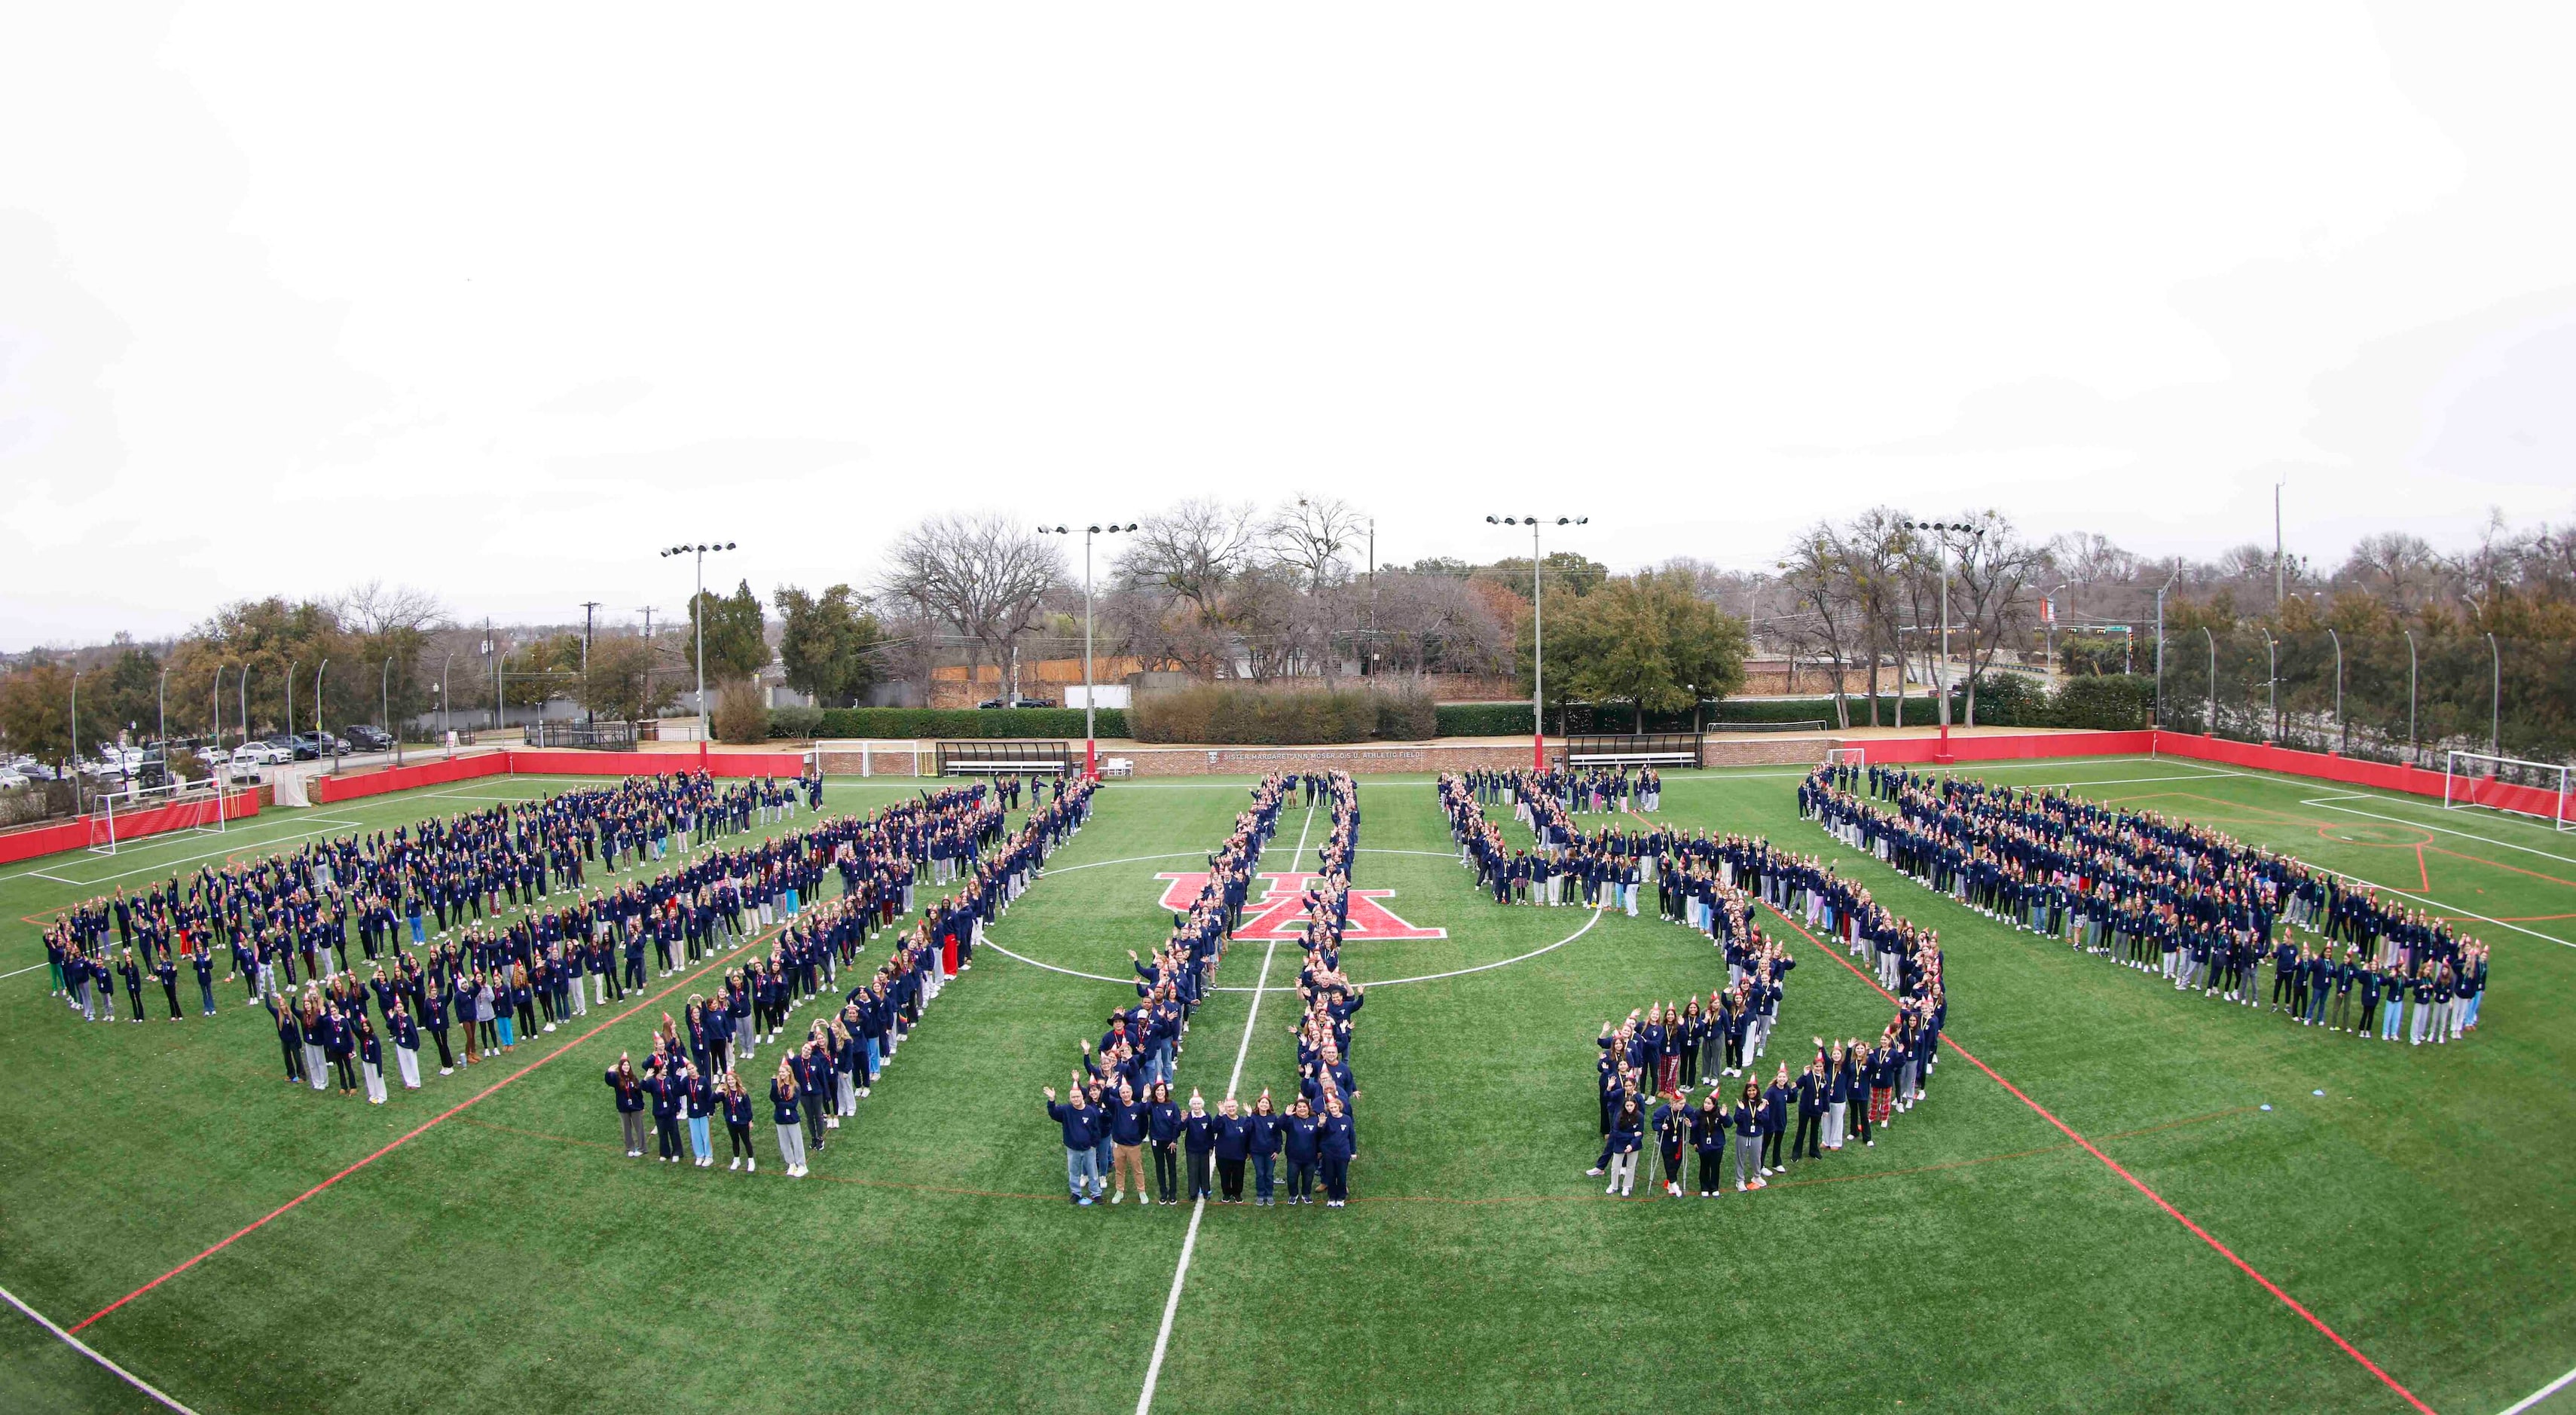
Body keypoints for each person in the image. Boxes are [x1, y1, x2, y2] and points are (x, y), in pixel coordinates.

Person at [1044, 1084, 1100, 1206]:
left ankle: (1096, 1193)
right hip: (1072, 1149)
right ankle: (1076, 1193)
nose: (1076, 1099)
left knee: (1093, 1172)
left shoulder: (1090, 1111)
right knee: (1074, 1172)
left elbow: (1096, 1129)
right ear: (1070, 1098)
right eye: (1073, 1097)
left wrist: (1094, 1144)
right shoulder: (1066, 1110)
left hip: (1089, 1149)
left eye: (1078, 1096)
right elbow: (1053, 1114)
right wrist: (1052, 1101)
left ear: (1082, 1097)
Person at [1107, 1082, 1150, 1206]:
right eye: (1123, 1093)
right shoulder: (1116, 1105)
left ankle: (1142, 1191)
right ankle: (1119, 1191)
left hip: (1133, 1146)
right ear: (1120, 1094)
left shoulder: (1137, 1107)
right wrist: (1108, 1088)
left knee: (1138, 1170)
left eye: (1127, 1092)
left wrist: (1145, 1098)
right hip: (1118, 1145)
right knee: (1119, 1170)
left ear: (1131, 1093)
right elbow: (1105, 1098)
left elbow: (1144, 1120)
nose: (1125, 1095)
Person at [1147, 1080, 1183, 1206]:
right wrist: (1145, 1098)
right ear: (1154, 1092)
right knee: (1160, 1167)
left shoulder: (1173, 1105)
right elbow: (1142, 1111)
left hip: (1170, 1142)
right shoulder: (1151, 1105)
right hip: (1156, 1141)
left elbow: (1176, 1124)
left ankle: (1173, 1193)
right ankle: (1163, 1192)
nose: (1160, 1093)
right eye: (1157, 1091)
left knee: (1171, 1167)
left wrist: (1174, 1140)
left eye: (1162, 1090)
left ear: (1165, 1092)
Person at [606, 1054, 649, 1157]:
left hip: (635, 1107)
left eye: (628, 1065)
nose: (626, 1067)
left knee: (639, 1128)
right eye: (624, 1065)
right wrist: (609, 1071)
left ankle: (642, 1148)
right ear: (621, 1067)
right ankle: (630, 1148)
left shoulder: (633, 1078)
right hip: (623, 1108)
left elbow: (639, 1093)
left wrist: (642, 1106)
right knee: (626, 1128)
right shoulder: (617, 1078)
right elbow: (608, 1080)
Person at [1319, 1094, 1355, 1208]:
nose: (1333, 1110)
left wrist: (1353, 1152)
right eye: (1331, 1108)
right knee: (1331, 1175)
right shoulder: (1326, 1120)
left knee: (1341, 1175)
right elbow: (1320, 1135)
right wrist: (1321, 1124)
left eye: (1335, 1107)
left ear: (1339, 1107)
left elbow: (1352, 1136)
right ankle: (1332, 1197)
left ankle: (1341, 1197)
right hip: (1329, 1153)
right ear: (1328, 1109)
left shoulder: (1347, 1119)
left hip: (1343, 1153)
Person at [772, 1059, 808, 1178]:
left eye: (783, 1072)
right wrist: (773, 1085)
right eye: (780, 1072)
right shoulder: (778, 1085)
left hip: (792, 1119)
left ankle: (802, 1165)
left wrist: (780, 1103)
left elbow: (793, 1104)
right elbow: (773, 1098)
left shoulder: (795, 1086)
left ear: (789, 1073)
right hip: (780, 1118)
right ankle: (791, 1164)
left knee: (797, 1142)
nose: (781, 1074)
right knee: (784, 1144)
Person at [1246, 1092, 1282, 1207]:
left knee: (1269, 1174)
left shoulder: (1273, 1118)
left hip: (1270, 1153)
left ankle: (1269, 1194)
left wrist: (1277, 1151)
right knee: (1260, 1174)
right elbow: (1247, 1131)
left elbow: (1278, 1136)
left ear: (1269, 1106)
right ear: (1258, 1104)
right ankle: (1261, 1195)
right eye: (1262, 1102)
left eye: (1266, 1103)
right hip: (1256, 1152)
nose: (1264, 1105)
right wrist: (1248, 1115)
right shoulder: (1253, 1117)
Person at [1603, 1095, 1643, 1197]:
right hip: (1620, 1144)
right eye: (1627, 1105)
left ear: (1635, 1105)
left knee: (1631, 1167)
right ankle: (1614, 1185)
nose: (1629, 1107)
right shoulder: (1619, 1116)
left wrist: (1632, 1145)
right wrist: (1632, 1135)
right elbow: (1616, 1133)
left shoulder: (1640, 1116)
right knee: (1615, 1166)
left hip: (1634, 1145)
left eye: (1631, 1105)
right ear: (1624, 1106)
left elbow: (1640, 1134)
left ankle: (1627, 1186)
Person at [1213, 1097, 1251, 1204]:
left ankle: (1237, 1194)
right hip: (1223, 1155)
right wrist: (1220, 1114)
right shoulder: (1223, 1119)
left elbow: (1248, 1134)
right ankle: (1226, 1193)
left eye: (1233, 1106)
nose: (1231, 1109)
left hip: (1239, 1155)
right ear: (1225, 1108)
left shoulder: (1243, 1120)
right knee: (1225, 1176)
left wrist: (1249, 1115)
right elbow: (1215, 1128)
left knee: (1238, 1176)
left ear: (1237, 1106)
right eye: (1228, 1107)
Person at [1182, 1091, 1218, 1203]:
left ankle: (1206, 1191)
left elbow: (1210, 1133)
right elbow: (1182, 1128)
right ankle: (1193, 1193)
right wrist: (1183, 1121)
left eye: (1198, 1104)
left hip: (1204, 1150)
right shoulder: (1188, 1117)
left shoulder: (1207, 1116)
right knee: (1193, 1171)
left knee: (1204, 1170)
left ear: (1202, 1105)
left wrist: (1211, 1146)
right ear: (1191, 1106)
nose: (1196, 1106)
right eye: (1194, 1104)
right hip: (1191, 1150)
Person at [721, 1071, 758, 1172]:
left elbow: (748, 1108)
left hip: (742, 1121)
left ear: (736, 1080)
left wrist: (750, 1121)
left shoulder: (742, 1092)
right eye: (729, 1080)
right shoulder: (725, 1093)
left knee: (746, 1141)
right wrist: (717, 1092)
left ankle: (751, 1160)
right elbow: (713, 1100)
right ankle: (736, 1159)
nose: (731, 1081)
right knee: (735, 1141)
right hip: (731, 1121)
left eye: (732, 1079)